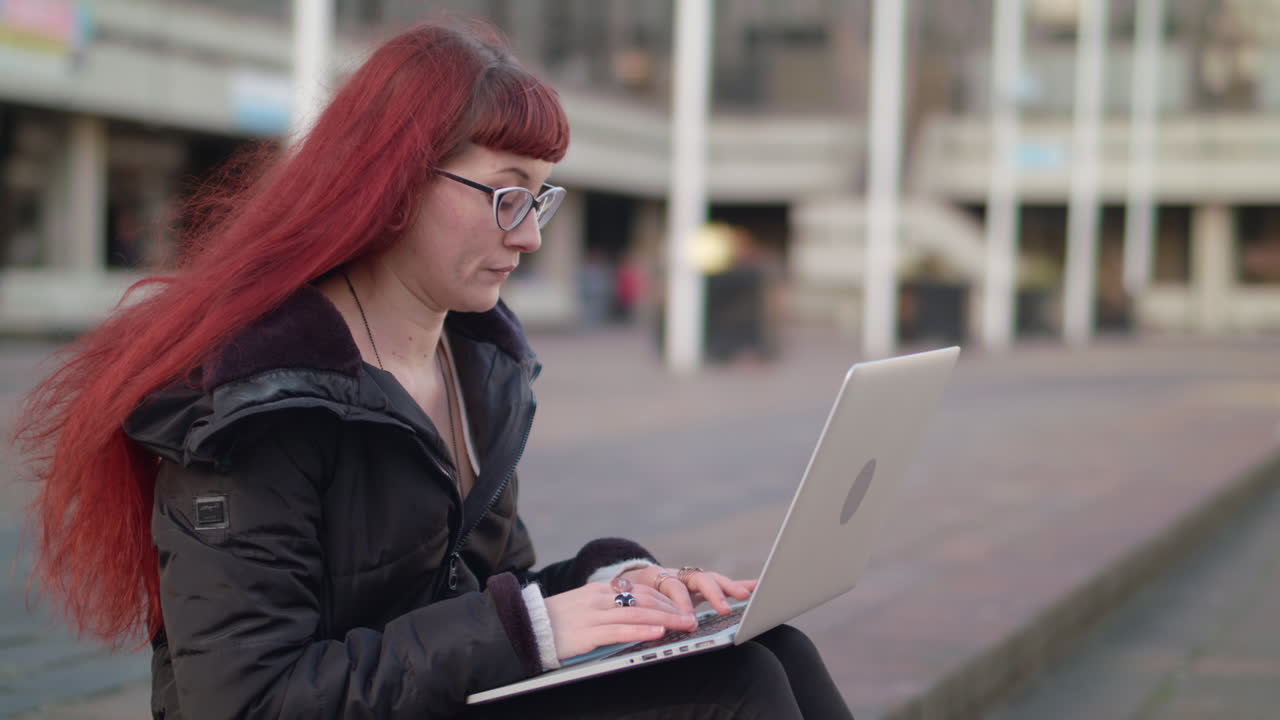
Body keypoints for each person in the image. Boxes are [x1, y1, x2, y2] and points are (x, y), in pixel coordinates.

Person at [15, 22, 853, 720]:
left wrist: (618, 585)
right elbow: (244, 700)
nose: (528, 236)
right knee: (735, 689)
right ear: (394, 184)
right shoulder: (252, 400)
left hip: (439, 698)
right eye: (506, 193)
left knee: (768, 645)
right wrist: (536, 626)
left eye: (542, 199)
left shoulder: (476, 364)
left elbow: (487, 595)